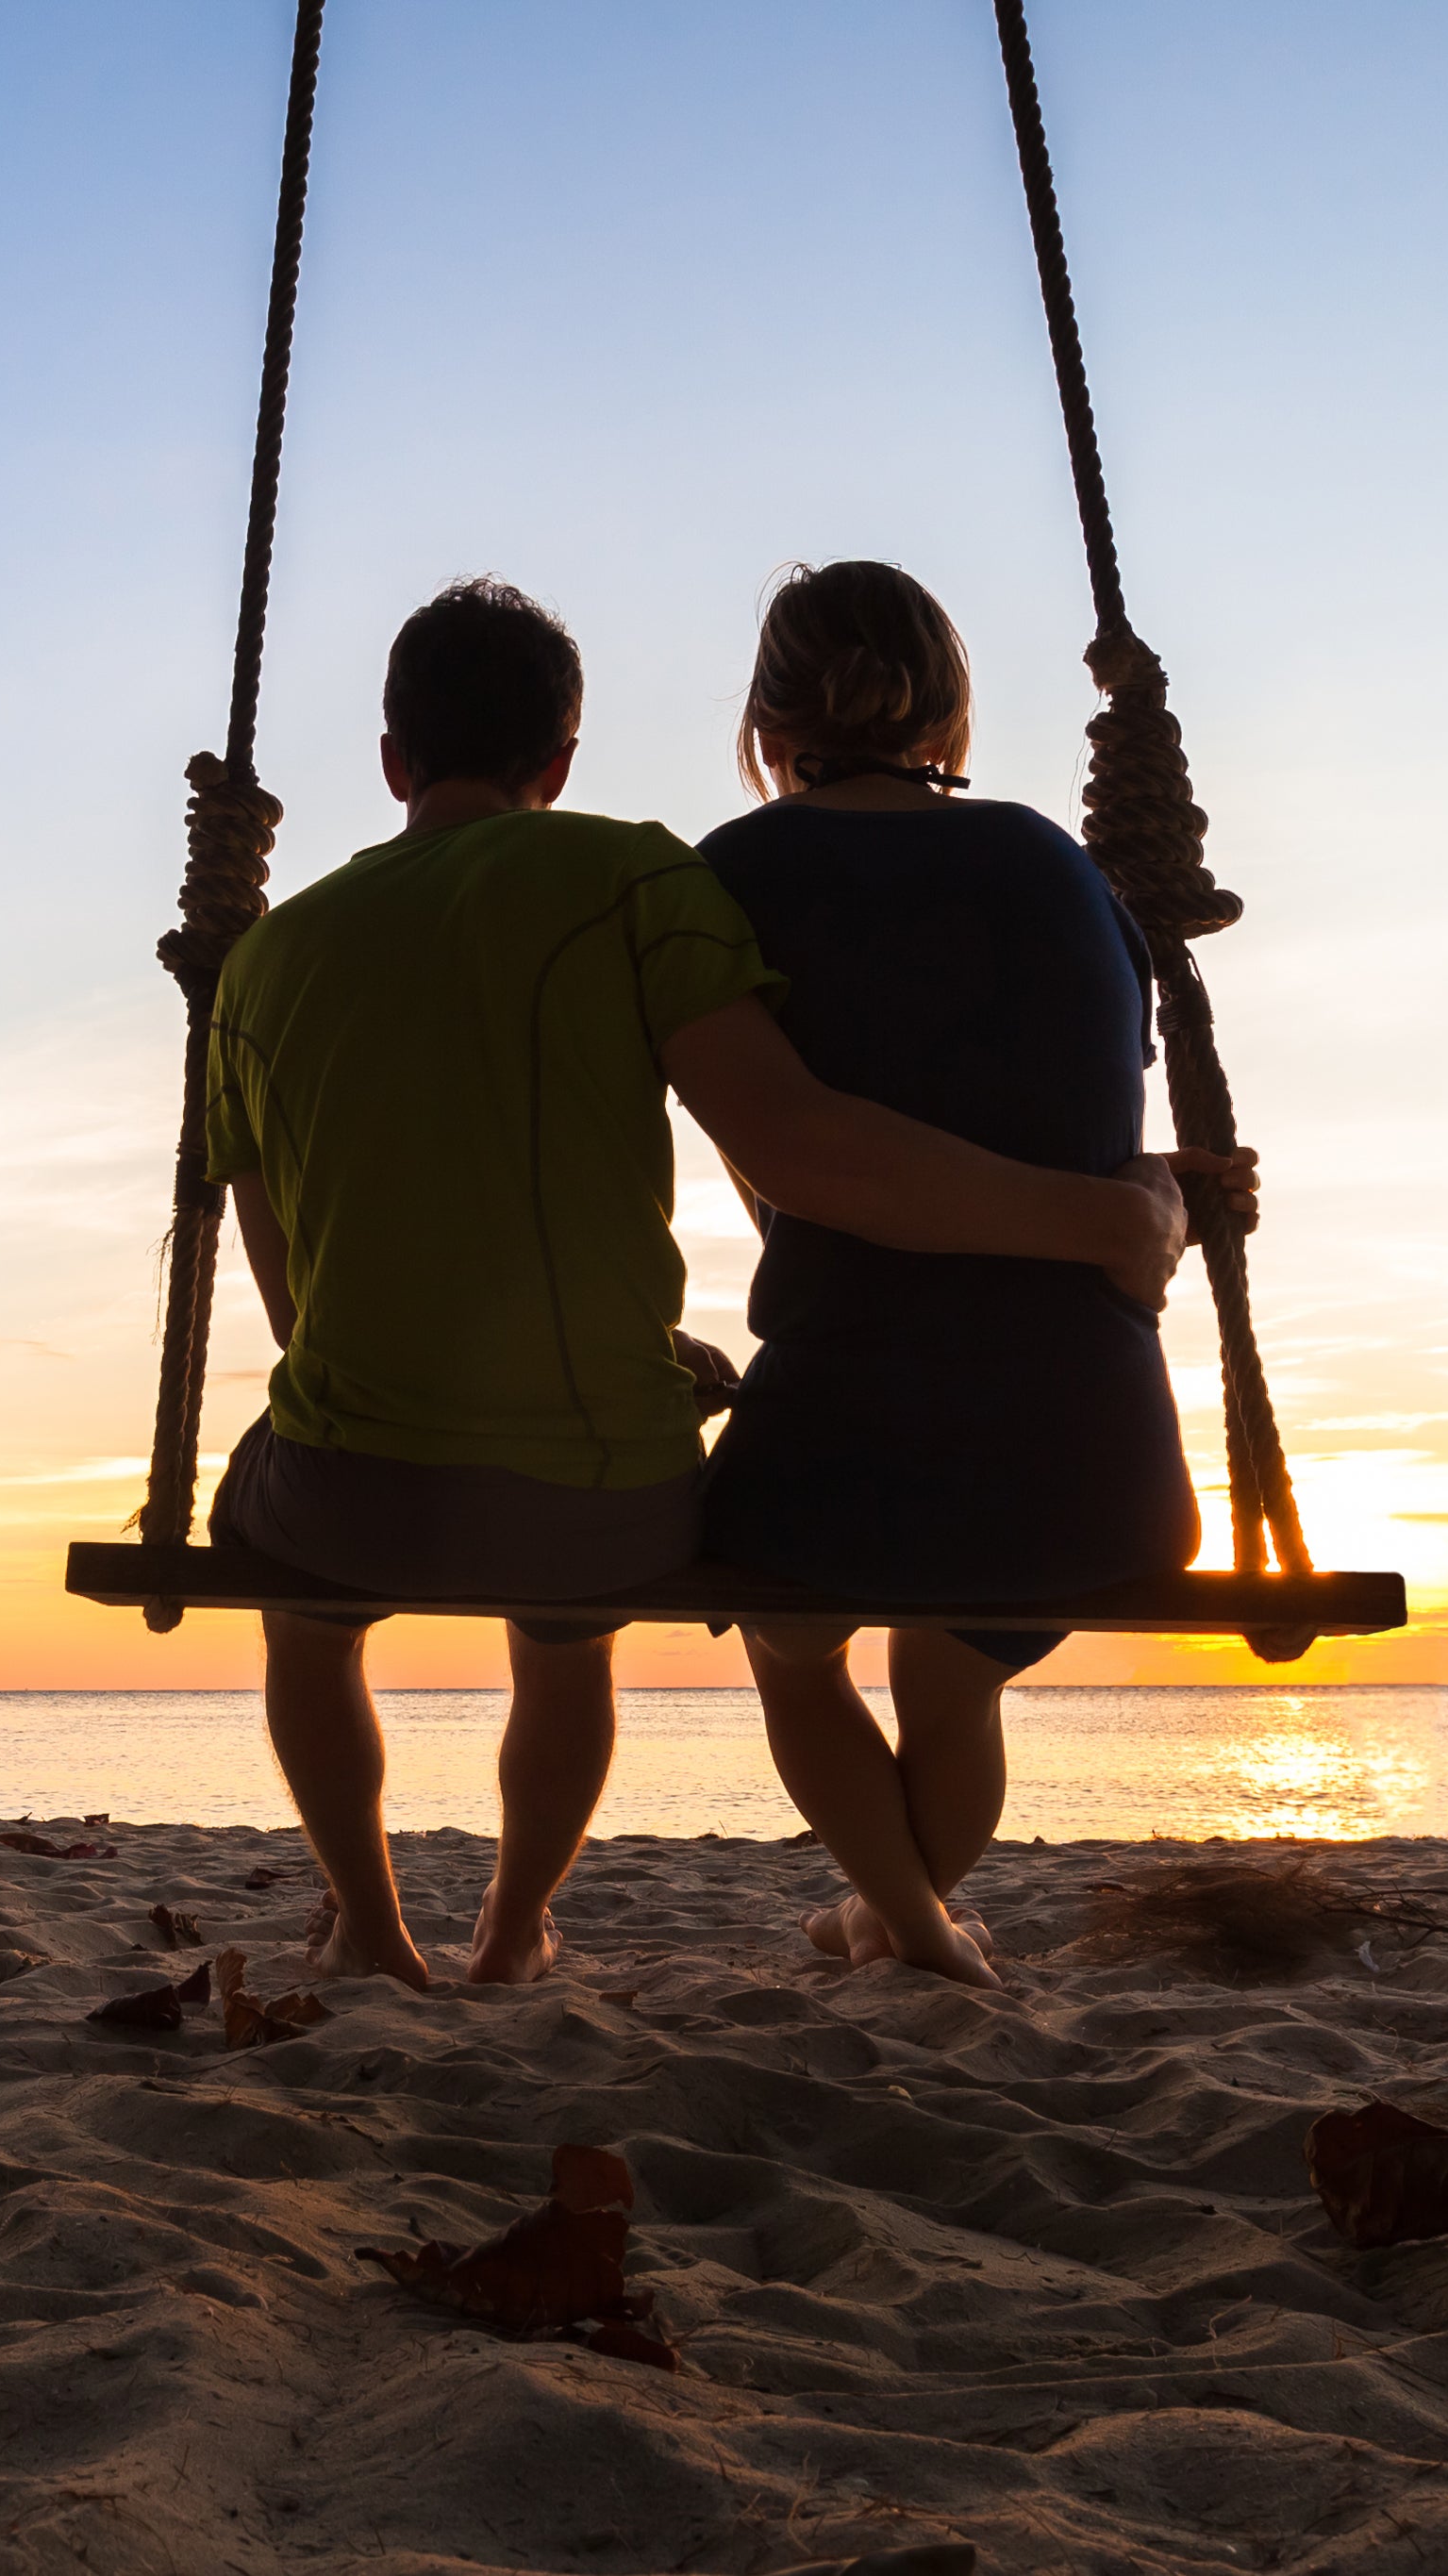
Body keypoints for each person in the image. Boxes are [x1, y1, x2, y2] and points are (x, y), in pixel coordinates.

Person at [202, 577, 1197, 1990]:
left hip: (364, 1484)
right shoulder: (635, 881)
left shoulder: (261, 957)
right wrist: (1121, 1210)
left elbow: (298, 1297)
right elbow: (797, 1141)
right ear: (559, 762)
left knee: (300, 1603)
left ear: (388, 761)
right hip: (609, 1503)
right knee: (588, 1630)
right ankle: (513, 1930)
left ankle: (369, 1921)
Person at [695, 560, 1236, 1983]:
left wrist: (1116, 1211)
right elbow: (1066, 1130)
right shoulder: (1064, 871)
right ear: (949, 712)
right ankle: (895, 1920)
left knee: (791, 1647)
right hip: (1091, 1462)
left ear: (764, 717)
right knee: (951, 1674)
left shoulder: (726, 880)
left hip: (839, 1436)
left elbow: (823, 1163)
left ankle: (909, 1926)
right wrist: (1140, 1209)